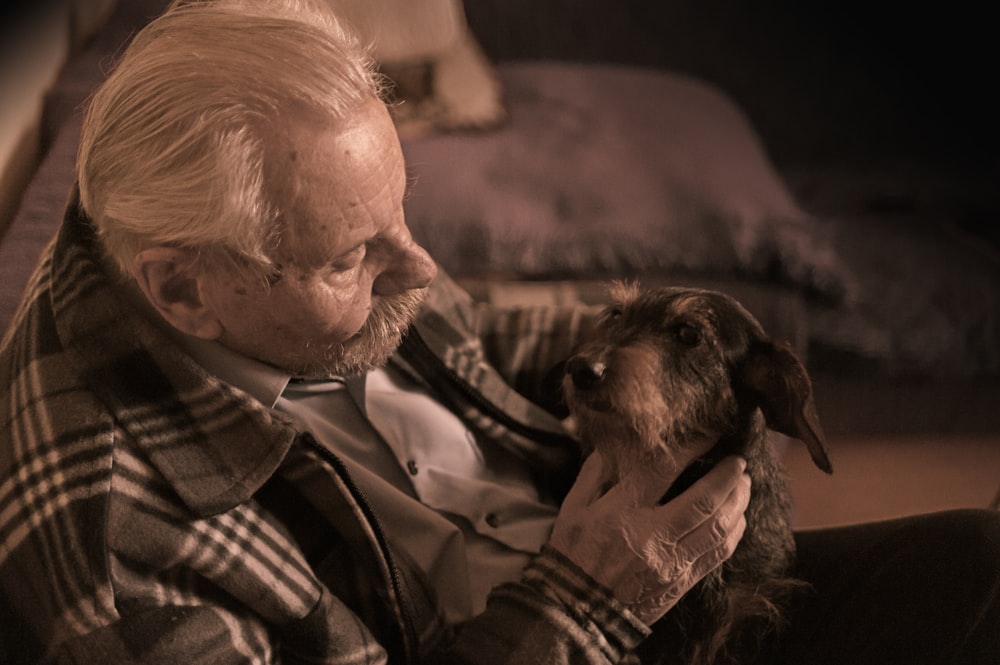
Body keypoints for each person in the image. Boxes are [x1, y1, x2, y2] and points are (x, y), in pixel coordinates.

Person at [0, 1, 996, 663]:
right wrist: (591, 595)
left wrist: (687, 354)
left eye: (403, 208)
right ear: (185, 293)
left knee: (977, 555)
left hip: (639, 593)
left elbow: (482, 327)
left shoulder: (262, 275)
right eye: (353, 255)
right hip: (566, 621)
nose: (422, 268)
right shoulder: (108, 543)